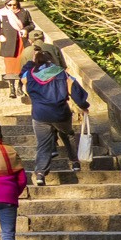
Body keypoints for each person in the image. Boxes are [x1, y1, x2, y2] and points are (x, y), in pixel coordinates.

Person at [21, 49, 91, 186]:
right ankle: (75, 161)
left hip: (39, 114)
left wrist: (31, 64)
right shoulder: (61, 73)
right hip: (60, 112)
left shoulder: (29, 75)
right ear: (51, 60)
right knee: (68, 134)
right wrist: (83, 105)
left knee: (43, 144)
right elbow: (74, 89)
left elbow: (23, 81)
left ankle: (40, 173)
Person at [0, 0, 34, 98]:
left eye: (15, 5)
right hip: (8, 43)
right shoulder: (1, 14)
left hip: (22, 42)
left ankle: (20, 87)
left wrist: (26, 29)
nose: (12, 7)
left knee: (22, 64)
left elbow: (31, 24)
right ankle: (12, 89)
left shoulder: (24, 12)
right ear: (6, 4)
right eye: (10, 5)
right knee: (10, 67)